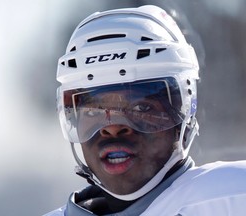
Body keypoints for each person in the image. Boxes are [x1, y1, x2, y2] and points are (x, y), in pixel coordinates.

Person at [45, 5, 246, 216]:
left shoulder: (229, 200)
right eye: (94, 112)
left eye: (140, 107)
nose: (113, 128)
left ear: (185, 109)